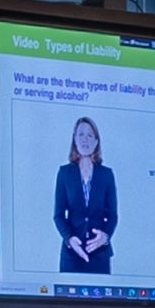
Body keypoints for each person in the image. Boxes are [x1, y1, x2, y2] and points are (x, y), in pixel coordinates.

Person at [52, 114, 119, 274]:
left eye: (90, 136)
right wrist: (69, 239)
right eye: (81, 135)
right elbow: (58, 215)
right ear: (74, 139)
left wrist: (106, 236)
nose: (85, 140)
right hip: (72, 255)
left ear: (96, 142)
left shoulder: (106, 174)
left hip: (99, 256)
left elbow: (113, 215)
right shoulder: (64, 173)